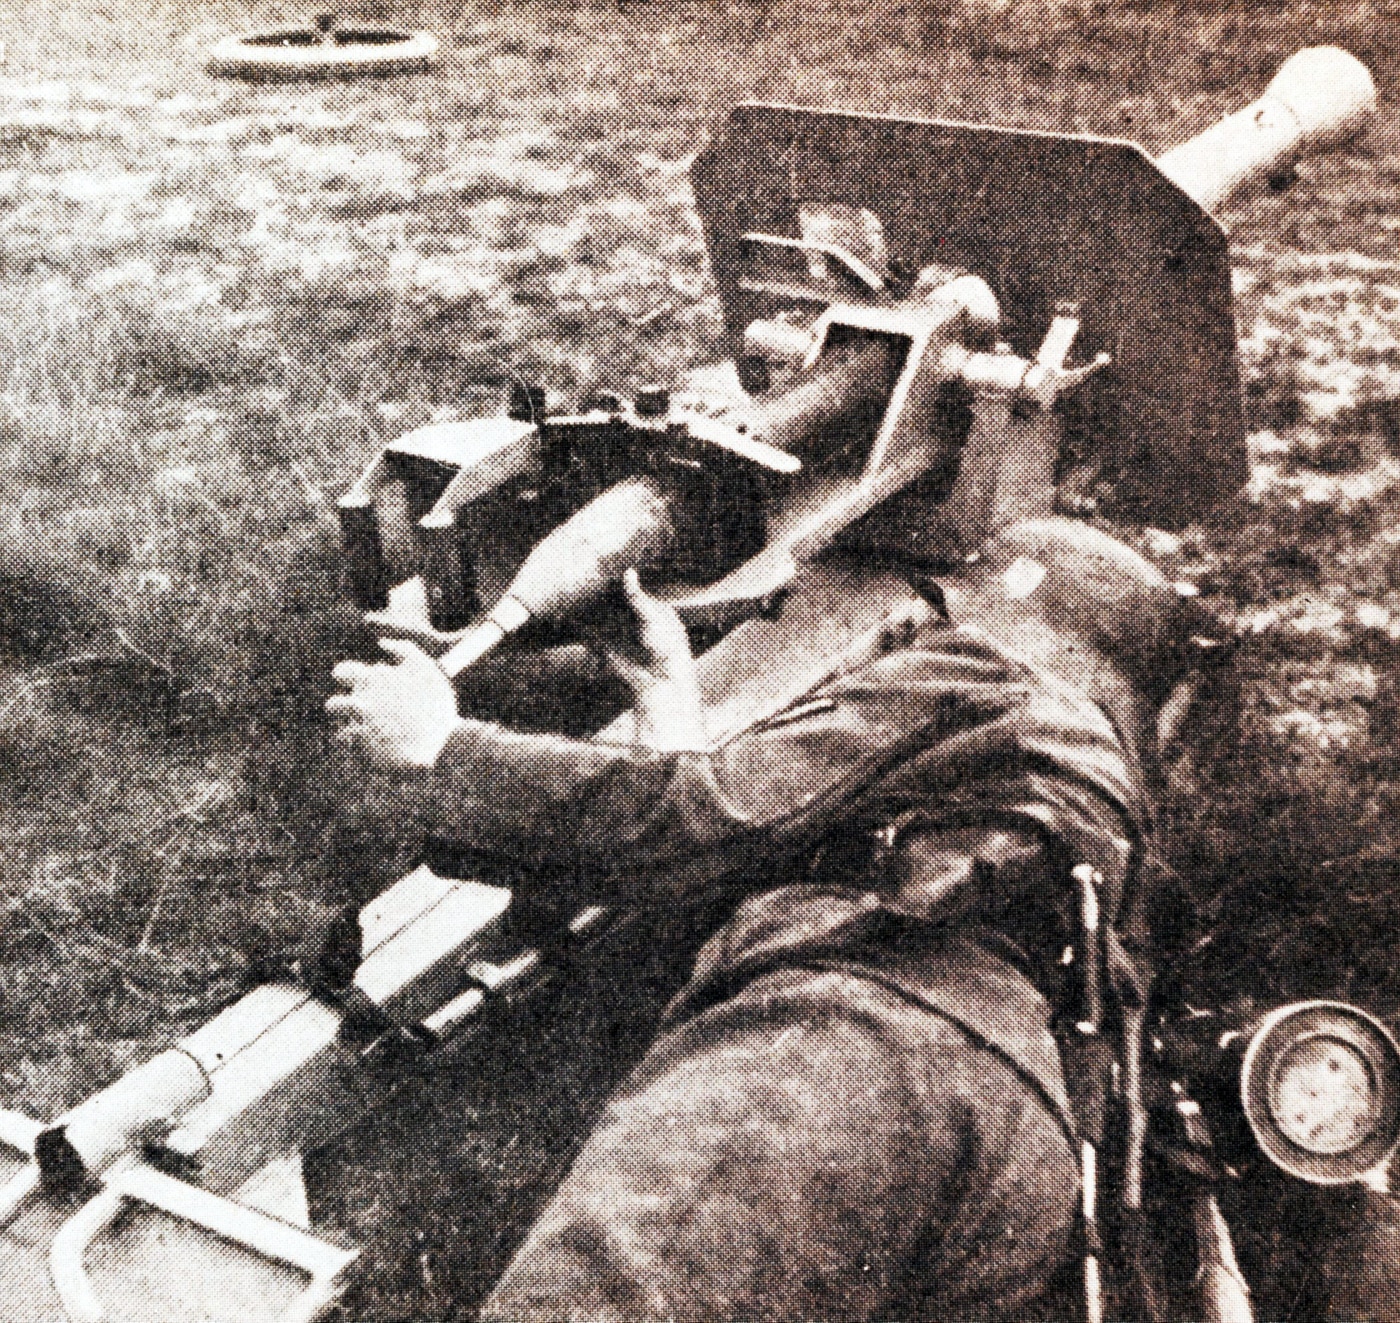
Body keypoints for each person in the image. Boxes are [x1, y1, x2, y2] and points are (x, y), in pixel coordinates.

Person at [327, 515, 1216, 1323]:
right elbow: (775, 862)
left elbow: (717, 815)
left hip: (851, 1057)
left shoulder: (990, 671)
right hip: (1024, 1144)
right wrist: (668, 703)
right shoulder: (1097, 808)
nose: (914, 630)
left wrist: (442, 747)